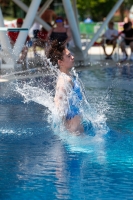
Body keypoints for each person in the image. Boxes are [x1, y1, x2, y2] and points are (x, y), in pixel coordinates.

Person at [46, 40, 84, 135]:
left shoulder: (68, 76)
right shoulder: (64, 81)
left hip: (76, 128)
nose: (72, 57)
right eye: (68, 56)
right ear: (60, 62)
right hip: (73, 131)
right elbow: (59, 106)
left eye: (71, 55)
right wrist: (63, 130)